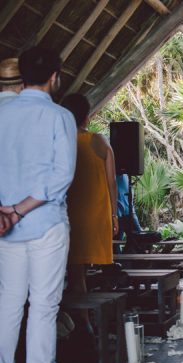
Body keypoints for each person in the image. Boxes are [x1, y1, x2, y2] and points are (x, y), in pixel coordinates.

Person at [0, 46, 77, 363]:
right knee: (44, 306)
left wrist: (6, 211)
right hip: (44, 224)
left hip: (4, 227)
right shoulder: (59, 117)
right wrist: (20, 208)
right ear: (54, 77)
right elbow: (61, 176)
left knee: (8, 303)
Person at [61, 93, 118, 337]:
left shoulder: (60, 141)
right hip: (96, 215)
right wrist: (114, 215)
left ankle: (82, 321)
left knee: (76, 271)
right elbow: (112, 181)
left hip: (70, 214)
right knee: (85, 269)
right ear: (87, 115)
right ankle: (90, 319)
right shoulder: (99, 140)